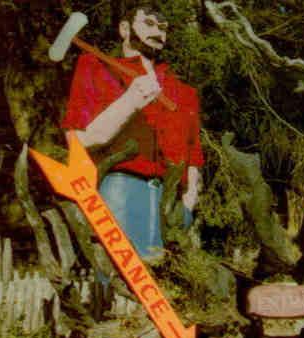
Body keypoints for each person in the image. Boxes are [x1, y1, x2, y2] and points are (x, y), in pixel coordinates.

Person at [61, 3, 204, 261]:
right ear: (125, 28)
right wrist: (129, 101)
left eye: (163, 28)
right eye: (148, 24)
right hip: (117, 190)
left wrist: (188, 203)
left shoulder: (184, 92)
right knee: (119, 284)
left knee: (163, 284)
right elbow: (78, 139)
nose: (158, 33)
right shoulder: (95, 67)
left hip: (169, 203)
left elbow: (193, 155)